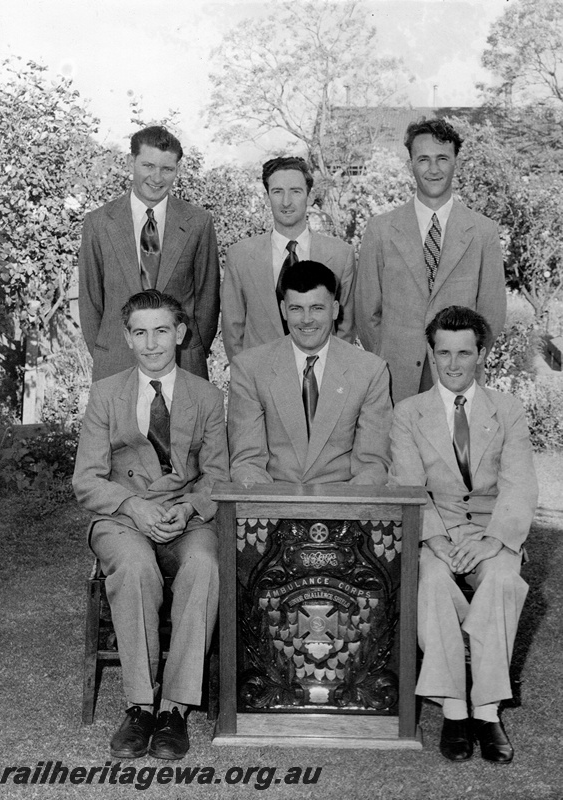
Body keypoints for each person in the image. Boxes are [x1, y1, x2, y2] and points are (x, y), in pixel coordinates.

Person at [73, 289, 229, 760]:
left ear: (180, 334)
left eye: (161, 331)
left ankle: (174, 710)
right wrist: (133, 507)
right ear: (127, 337)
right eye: (140, 333)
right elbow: (86, 480)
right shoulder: (106, 393)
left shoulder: (207, 396)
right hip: (123, 516)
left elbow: (220, 477)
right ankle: (140, 705)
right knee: (137, 567)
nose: (151, 343)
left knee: (203, 565)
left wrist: (188, 509)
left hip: (185, 514)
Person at [389, 305, 537, 763]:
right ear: (431, 355)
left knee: (501, 580)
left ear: (482, 354)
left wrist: (493, 540)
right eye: (444, 353)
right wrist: (437, 541)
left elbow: (519, 483)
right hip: (437, 529)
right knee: (431, 580)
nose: (454, 365)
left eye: (464, 353)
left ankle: (487, 710)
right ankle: (455, 710)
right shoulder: (408, 413)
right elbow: (409, 486)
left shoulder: (508, 410)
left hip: (492, 529)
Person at [355, 118, 506, 404]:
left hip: (458, 377)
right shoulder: (381, 229)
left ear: (455, 162)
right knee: (399, 449)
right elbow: (366, 312)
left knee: (456, 449)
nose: (433, 169)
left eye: (442, 159)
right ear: (410, 163)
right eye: (423, 159)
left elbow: (491, 314)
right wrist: (390, 356)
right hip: (394, 379)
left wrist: (463, 359)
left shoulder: (483, 232)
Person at [228, 261, 391, 486]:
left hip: (344, 504)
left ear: (334, 310)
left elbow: (373, 465)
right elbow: (247, 462)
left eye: (317, 308)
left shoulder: (370, 370)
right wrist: (270, 508)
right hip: (274, 502)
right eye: (296, 309)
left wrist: (346, 512)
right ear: (284, 310)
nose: (306, 319)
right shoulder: (250, 368)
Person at [78, 125, 219, 382]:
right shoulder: (98, 223)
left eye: (167, 169)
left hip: (182, 362)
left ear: (177, 169)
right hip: (116, 365)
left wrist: (190, 349)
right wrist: (107, 353)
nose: (157, 177)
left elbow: (208, 299)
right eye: (148, 166)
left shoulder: (199, 222)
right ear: (131, 162)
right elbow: (90, 301)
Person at [222, 156, 356, 363]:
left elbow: (345, 329)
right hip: (260, 379)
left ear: (309, 197)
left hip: (321, 376)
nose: (286, 201)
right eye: (277, 192)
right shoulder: (240, 256)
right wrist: (247, 378)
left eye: (295, 191)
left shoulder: (340, 254)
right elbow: (233, 329)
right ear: (267, 197)